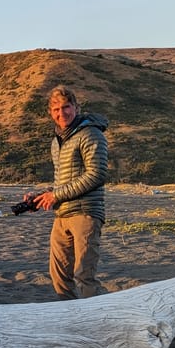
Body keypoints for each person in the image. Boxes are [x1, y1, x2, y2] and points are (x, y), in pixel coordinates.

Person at [29, 85, 109, 299]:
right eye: (56, 109)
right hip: (62, 214)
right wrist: (42, 196)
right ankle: (69, 315)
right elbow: (62, 181)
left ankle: (97, 316)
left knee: (84, 275)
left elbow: (97, 174)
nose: (61, 113)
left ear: (76, 107)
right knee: (59, 277)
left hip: (86, 213)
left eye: (66, 107)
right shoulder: (57, 141)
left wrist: (55, 195)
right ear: (50, 112)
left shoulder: (90, 134)